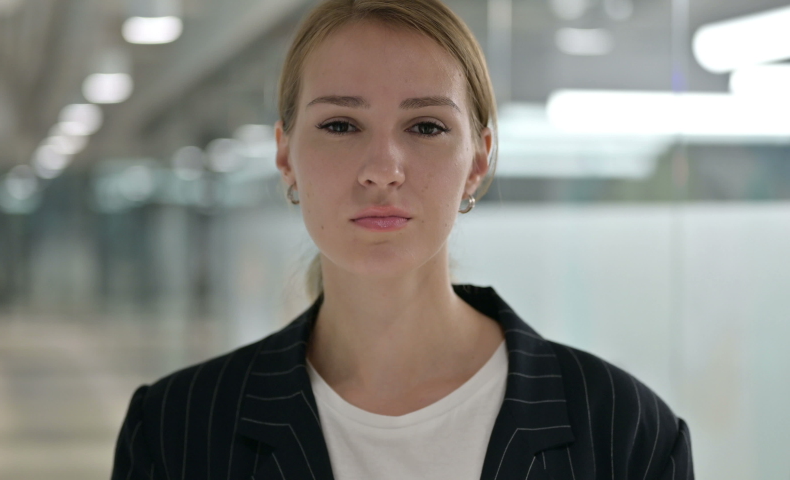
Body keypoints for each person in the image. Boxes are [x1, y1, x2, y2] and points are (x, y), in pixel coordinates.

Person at [111, 1, 694, 479]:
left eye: (426, 127)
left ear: (478, 160)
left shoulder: (625, 433)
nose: (383, 168)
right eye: (340, 125)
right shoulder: (176, 430)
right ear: (286, 155)